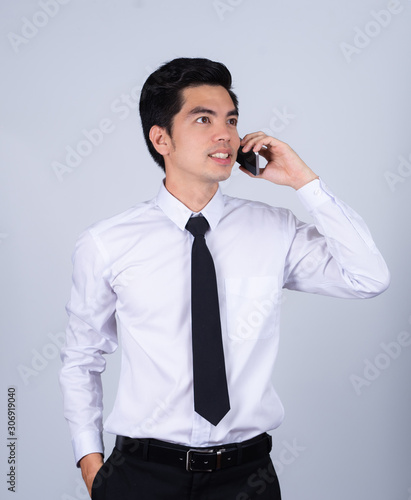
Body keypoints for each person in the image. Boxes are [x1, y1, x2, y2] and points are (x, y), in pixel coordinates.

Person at [60, 57, 390, 500]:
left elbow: (368, 277)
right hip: (141, 476)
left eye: (232, 120)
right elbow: (82, 357)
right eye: (204, 119)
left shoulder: (274, 229)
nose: (227, 135)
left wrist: (304, 182)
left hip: (246, 478)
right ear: (162, 138)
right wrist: (91, 464)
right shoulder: (107, 242)